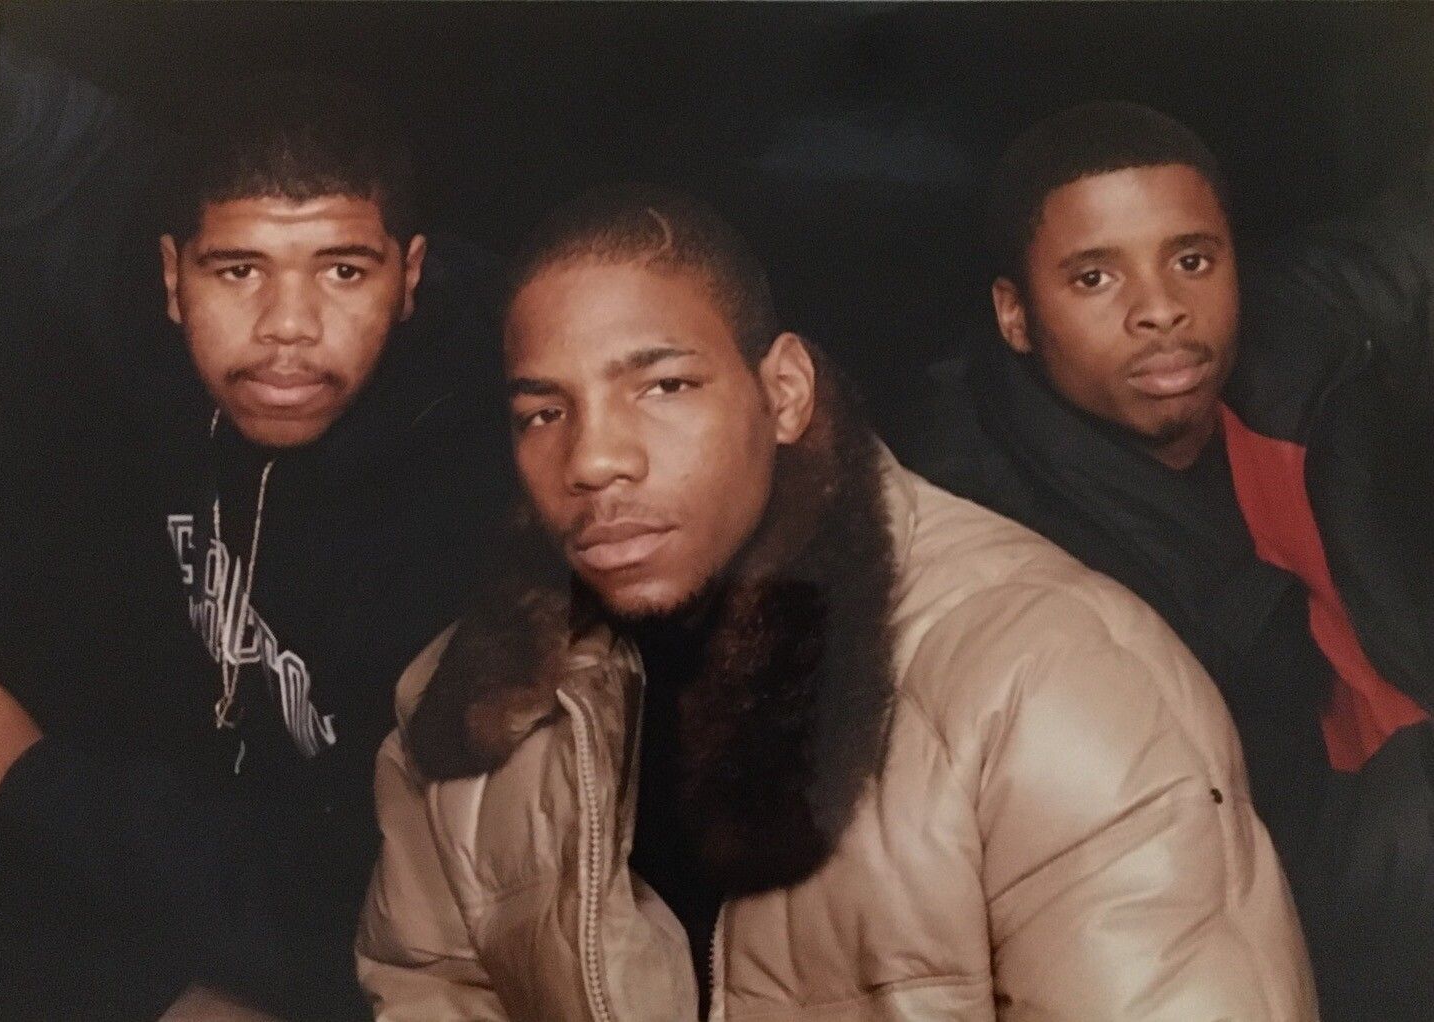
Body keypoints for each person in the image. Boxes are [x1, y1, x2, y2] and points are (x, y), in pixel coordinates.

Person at [355, 186, 1314, 1020]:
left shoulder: (1052, 678)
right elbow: (432, 991)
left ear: (781, 393)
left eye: (663, 386)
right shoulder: (459, 718)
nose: (595, 458)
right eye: (542, 412)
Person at [0, 55, 504, 1020]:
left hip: (353, 948)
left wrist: (24, 771)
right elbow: (47, 141)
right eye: (238, 270)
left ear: (412, 277)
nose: (287, 330)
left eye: (344, 270)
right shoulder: (127, 299)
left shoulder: (484, 500)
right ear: (172, 280)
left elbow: (378, 919)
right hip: (177, 830)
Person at [922, 101, 1434, 1019]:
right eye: (1091, 279)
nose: (1160, 310)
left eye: (1191, 259)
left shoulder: (1277, 346)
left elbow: (1397, 244)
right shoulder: (1006, 546)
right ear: (1014, 315)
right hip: (1274, 911)